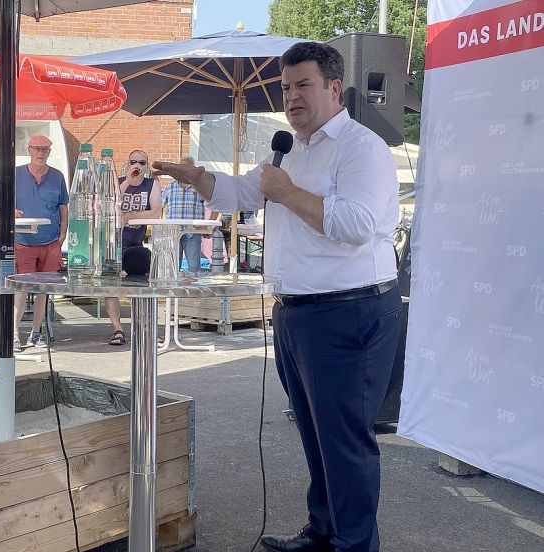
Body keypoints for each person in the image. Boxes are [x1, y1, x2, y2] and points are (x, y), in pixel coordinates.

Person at [153, 42, 401, 552]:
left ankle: (355, 544)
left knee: (345, 444)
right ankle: (324, 532)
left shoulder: (361, 147)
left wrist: (286, 192)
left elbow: (359, 225)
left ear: (335, 88)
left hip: (349, 310)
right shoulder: (290, 148)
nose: (290, 97)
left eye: (302, 85)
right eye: (285, 87)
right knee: (315, 436)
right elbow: (245, 192)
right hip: (298, 313)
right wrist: (199, 178)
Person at [12, 134, 68, 351]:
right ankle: (14, 333)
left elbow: (63, 207)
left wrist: (62, 235)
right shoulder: (16, 174)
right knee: (22, 288)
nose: (40, 153)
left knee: (43, 290)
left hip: (50, 241)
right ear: (29, 150)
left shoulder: (57, 177)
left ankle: (36, 332)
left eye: (45, 149)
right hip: (22, 241)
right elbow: (1, 202)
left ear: (50, 152)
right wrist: (11, 211)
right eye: (37, 149)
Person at [104, 149, 162, 346]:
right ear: (128, 164)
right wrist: (127, 181)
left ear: (147, 166)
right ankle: (117, 330)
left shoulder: (151, 184)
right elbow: (110, 205)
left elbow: (155, 213)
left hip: (135, 244)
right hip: (112, 243)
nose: (137, 165)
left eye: (142, 162)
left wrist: (129, 216)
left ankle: (145, 328)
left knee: (141, 288)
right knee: (110, 288)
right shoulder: (119, 182)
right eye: (133, 162)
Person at [160, 155, 221, 274]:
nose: (184, 171)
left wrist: (208, 227)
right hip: (173, 232)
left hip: (192, 232)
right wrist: (162, 227)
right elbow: (159, 207)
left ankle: (192, 291)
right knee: (172, 269)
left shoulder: (199, 187)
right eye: (182, 167)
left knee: (194, 268)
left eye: (188, 168)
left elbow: (216, 204)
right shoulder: (170, 187)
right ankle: (174, 291)